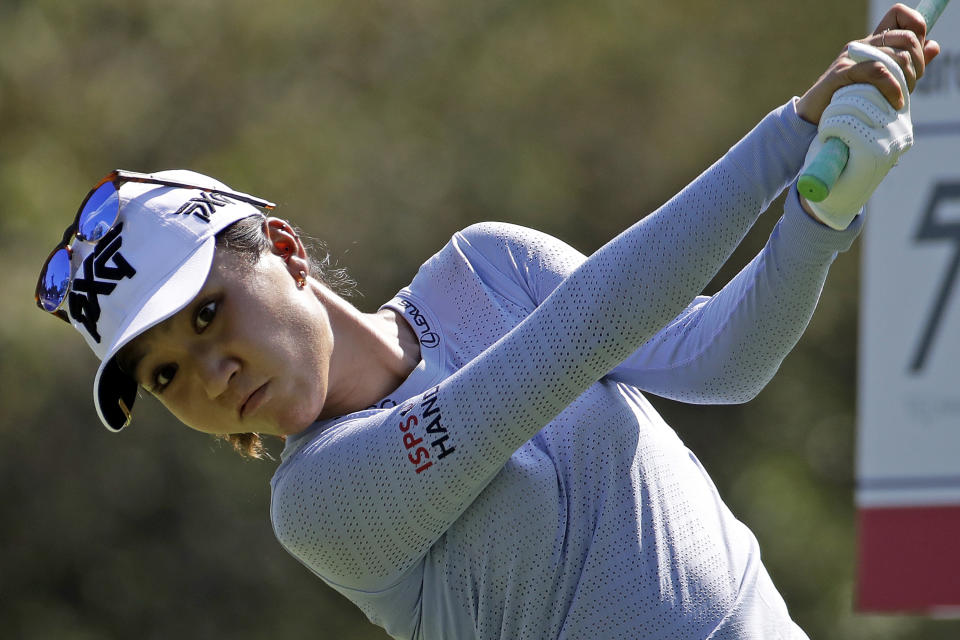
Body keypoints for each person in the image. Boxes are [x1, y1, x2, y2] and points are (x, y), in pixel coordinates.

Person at [35, 5, 940, 639]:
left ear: (284, 249)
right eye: (163, 378)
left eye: (206, 313)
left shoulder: (489, 265)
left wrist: (822, 212)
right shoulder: (316, 505)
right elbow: (575, 341)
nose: (210, 376)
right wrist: (788, 133)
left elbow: (720, 361)